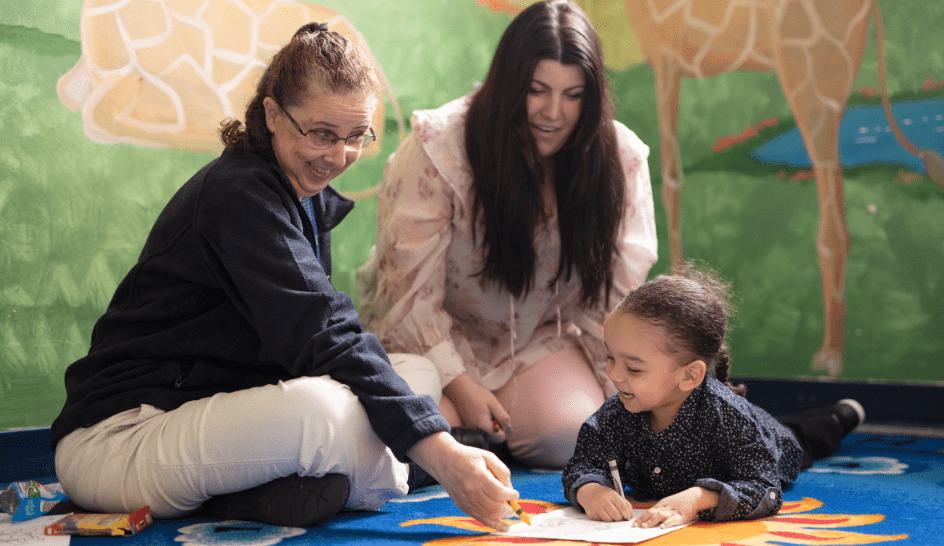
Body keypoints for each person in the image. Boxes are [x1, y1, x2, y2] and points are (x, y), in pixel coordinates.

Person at [49, 23, 519, 531]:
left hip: (207, 413)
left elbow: (317, 348)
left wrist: (418, 426)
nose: (338, 156)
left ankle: (285, 489)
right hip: (120, 438)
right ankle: (403, 467)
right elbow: (325, 334)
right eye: (321, 133)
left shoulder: (301, 191)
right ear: (272, 114)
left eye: (356, 136)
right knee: (324, 413)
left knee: (411, 370)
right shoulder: (240, 195)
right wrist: (445, 453)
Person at [356, 0, 658, 469]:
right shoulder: (441, 146)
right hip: (435, 341)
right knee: (403, 437)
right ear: (508, 84)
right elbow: (408, 291)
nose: (553, 113)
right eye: (537, 90)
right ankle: (465, 427)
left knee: (574, 438)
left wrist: (620, 403)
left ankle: (480, 435)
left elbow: (616, 303)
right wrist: (461, 385)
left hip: (537, 342)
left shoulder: (619, 158)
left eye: (573, 95)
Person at [561, 265, 866, 528]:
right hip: (747, 431)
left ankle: (840, 416)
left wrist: (699, 497)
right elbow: (583, 462)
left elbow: (764, 489)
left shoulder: (731, 419)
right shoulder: (617, 411)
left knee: (804, 436)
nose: (614, 375)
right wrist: (591, 490)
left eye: (633, 368)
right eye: (610, 358)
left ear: (690, 375)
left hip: (777, 441)